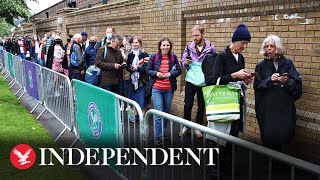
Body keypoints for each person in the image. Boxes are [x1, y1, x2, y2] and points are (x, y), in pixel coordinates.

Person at [208, 24, 254, 177]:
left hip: (236, 102)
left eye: (247, 44)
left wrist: (245, 80)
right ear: (235, 41)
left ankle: (226, 168)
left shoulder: (241, 58)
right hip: (222, 102)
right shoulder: (221, 56)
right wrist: (235, 76)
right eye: (243, 43)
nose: (245, 46)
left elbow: (239, 80)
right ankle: (212, 169)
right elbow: (215, 80)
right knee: (217, 137)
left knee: (232, 136)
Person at [254, 35, 302, 152]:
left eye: (272, 46)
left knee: (282, 136)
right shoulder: (261, 66)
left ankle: (279, 163)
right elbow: (257, 86)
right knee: (269, 138)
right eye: (267, 46)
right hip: (268, 108)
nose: (269, 48)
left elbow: (297, 85)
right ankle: (268, 164)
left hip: (283, 107)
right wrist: (270, 80)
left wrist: (287, 81)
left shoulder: (287, 63)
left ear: (278, 48)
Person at [179, 25, 216, 139]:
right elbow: (182, 62)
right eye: (193, 35)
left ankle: (198, 128)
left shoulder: (211, 48)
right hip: (190, 80)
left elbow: (214, 63)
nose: (194, 38)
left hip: (204, 81)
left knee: (201, 106)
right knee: (188, 104)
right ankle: (186, 126)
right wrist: (185, 63)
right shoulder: (189, 47)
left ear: (203, 34)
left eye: (197, 35)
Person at [146, 37, 181, 146]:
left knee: (165, 113)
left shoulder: (173, 57)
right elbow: (148, 70)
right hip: (157, 88)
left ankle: (162, 131)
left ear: (170, 47)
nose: (165, 47)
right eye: (163, 45)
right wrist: (156, 74)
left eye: (167, 45)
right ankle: (158, 136)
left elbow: (179, 70)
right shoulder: (154, 56)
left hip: (169, 89)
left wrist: (171, 74)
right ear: (160, 46)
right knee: (158, 112)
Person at [126, 36, 149, 121]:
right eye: (133, 43)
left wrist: (138, 69)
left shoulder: (144, 54)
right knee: (133, 99)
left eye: (137, 42)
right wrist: (131, 69)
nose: (135, 44)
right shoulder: (130, 54)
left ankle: (143, 118)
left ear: (140, 44)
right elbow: (128, 66)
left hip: (142, 81)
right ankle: (134, 116)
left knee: (142, 100)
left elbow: (147, 68)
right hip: (133, 80)